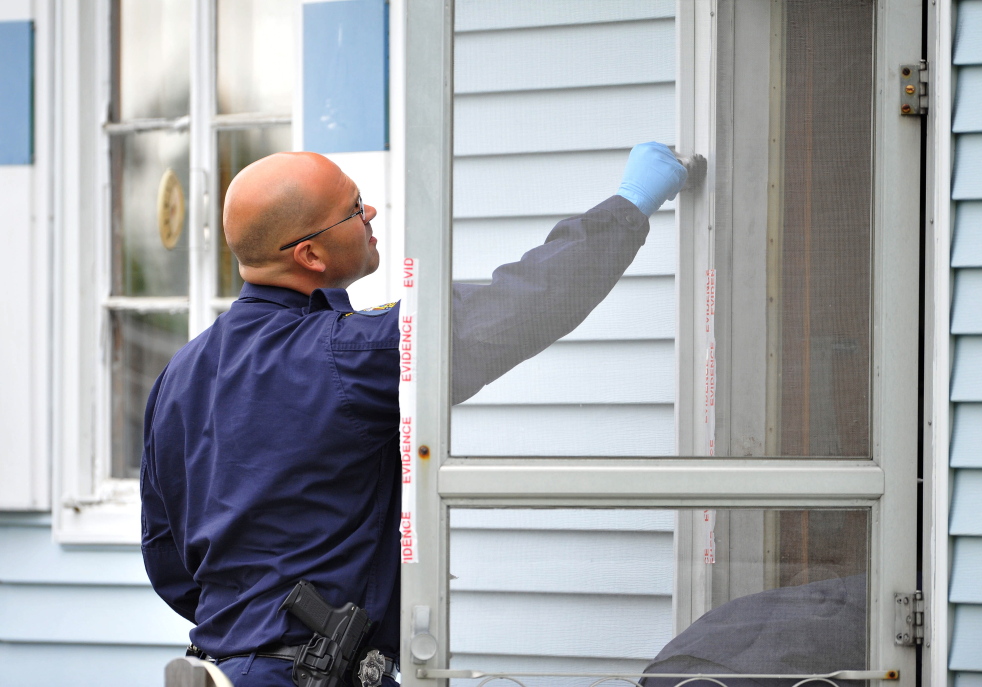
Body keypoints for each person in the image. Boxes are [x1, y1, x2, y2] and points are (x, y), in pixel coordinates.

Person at [140, 143, 687, 687]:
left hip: (230, 661)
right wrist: (631, 203)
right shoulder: (348, 355)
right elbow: (521, 304)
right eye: (355, 209)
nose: (371, 214)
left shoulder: (178, 376)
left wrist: (253, 632)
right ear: (310, 255)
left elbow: (166, 557)